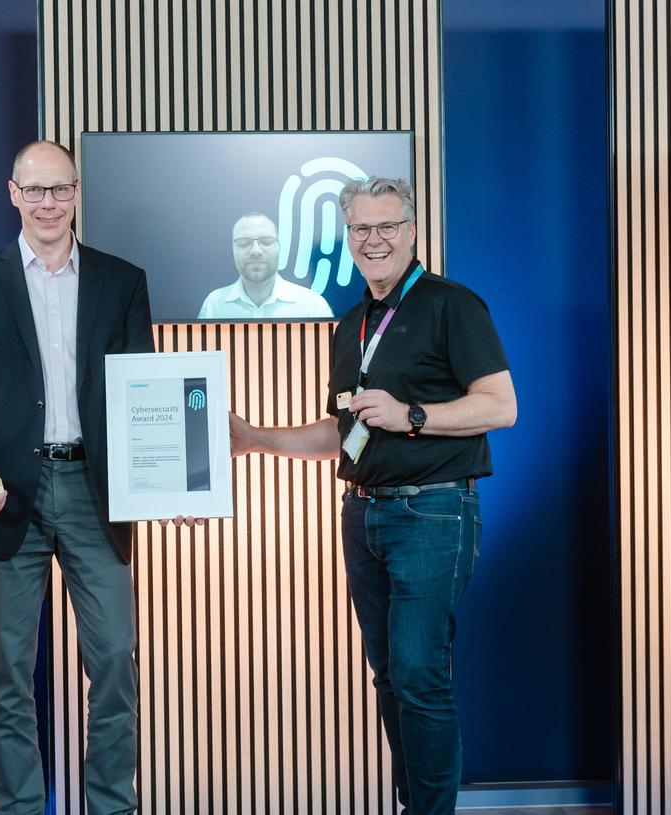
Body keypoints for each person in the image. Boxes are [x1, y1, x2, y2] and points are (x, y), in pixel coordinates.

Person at [229, 177, 516, 814]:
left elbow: (501, 407)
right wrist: (255, 438)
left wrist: (411, 414)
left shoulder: (451, 304)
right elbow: (346, 430)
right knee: (390, 676)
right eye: (361, 228)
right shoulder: (353, 323)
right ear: (349, 238)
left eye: (387, 226)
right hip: (363, 513)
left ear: (412, 232)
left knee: (419, 677)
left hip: (433, 511)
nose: (374, 239)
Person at [0, 140, 157, 815]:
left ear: (77, 191)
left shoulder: (123, 281)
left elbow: (139, 394)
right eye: (35, 190)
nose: (48, 202)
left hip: (95, 491)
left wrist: (167, 479)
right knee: (7, 677)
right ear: (12, 194)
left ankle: (112, 806)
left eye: (59, 189)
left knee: (116, 662)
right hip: (8, 498)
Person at [197, 211, 335, 319]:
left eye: (266, 241)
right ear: (233, 248)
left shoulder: (312, 307)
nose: (255, 251)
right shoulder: (214, 305)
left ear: (279, 247)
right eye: (244, 242)